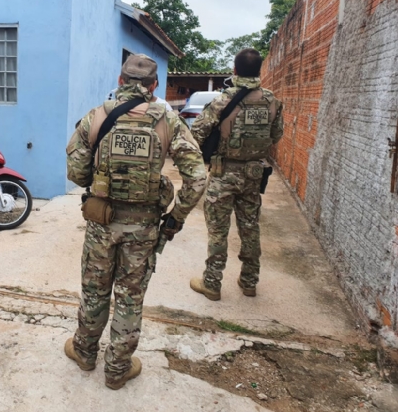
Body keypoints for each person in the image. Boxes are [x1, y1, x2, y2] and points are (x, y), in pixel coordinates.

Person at [65, 53, 206, 389]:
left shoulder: (96, 117)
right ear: (154, 86)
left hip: (102, 221)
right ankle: (117, 369)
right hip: (143, 228)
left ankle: (84, 352)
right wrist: (174, 219)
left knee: (95, 290)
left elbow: (75, 172)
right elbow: (198, 178)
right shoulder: (168, 122)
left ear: (119, 81)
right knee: (129, 296)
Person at [189, 48, 283, 300]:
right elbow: (276, 135)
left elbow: (196, 135)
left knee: (218, 230)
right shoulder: (272, 101)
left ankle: (212, 283)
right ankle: (249, 281)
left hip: (223, 173)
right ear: (259, 70)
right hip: (254, 173)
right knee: (250, 227)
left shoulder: (222, 101)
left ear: (235, 70)